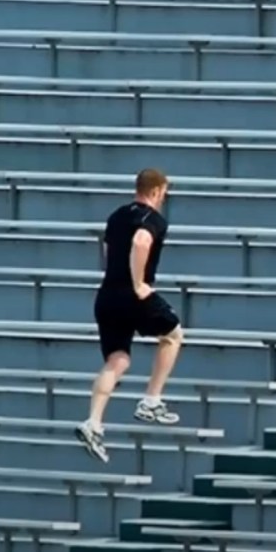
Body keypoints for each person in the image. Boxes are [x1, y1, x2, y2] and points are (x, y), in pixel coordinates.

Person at [76, 168, 184, 463]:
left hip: (107, 294)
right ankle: (151, 400)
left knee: (118, 359)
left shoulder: (116, 215)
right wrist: (138, 284)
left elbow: (108, 250)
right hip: (132, 294)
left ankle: (94, 422)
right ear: (157, 190)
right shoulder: (152, 219)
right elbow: (140, 242)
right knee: (173, 336)